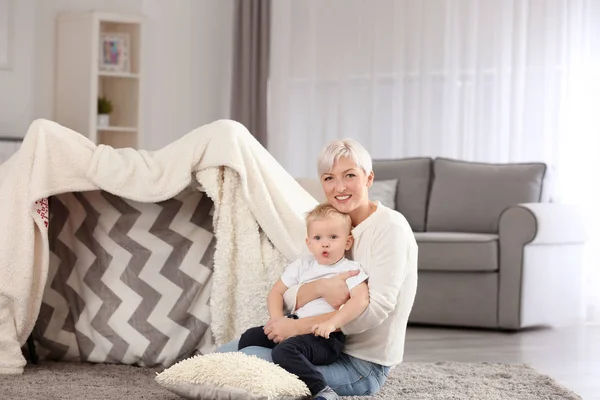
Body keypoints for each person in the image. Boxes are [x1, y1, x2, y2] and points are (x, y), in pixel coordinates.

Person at [216, 138, 418, 397]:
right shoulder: (325, 220)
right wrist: (322, 287)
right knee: (223, 355)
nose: (339, 187)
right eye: (329, 178)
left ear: (368, 179)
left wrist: (301, 326)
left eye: (349, 176)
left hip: (360, 363)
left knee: (246, 361)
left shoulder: (390, 228)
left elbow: (376, 309)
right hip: (309, 344)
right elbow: (290, 292)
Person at [238, 203, 369, 400]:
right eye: (318, 238)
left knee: (284, 351)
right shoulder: (303, 265)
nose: (325, 244)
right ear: (309, 243)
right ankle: (248, 378)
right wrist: (277, 321)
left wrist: (332, 323)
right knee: (249, 337)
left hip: (324, 337)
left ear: (347, 242)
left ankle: (322, 390)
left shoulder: (351, 269)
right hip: (293, 324)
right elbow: (276, 293)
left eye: (333, 237)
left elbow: (361, 300)